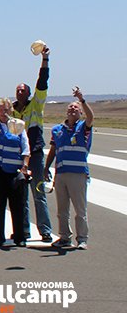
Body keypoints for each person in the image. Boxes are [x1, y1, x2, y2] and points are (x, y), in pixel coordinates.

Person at [44, 87, 93, 249]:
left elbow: (91, 117)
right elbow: (53, 150)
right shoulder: (57, 130)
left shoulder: (83, 128)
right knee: (62, 209)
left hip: (78, 174)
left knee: (80, 209)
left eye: (76, 108)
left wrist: (82, 100)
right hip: (61, 173)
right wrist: (46, 168)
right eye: (70, 107)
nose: (72, 109)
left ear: (80, 113)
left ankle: (82, 239)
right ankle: (64, 237)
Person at [13, 46, 52, 243]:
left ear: (28, 93)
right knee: (20, 196)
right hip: (17, 157)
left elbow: (42, 84)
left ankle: (45, 230)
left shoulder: (36, 105)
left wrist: (44, 60)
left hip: (35, 154)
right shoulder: (11, 111)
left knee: (38, 192)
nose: (20, 92)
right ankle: (23, 230)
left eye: (23, 90)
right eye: (18, 90)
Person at [0, 94, 31, 247]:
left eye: (7, 109)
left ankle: (20, 237)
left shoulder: (18, 125)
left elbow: (25, 148)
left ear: (11, 110)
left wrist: (24, 166)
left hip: (14, 171)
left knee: (17, 205)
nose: (4, 112)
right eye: (0, 109)